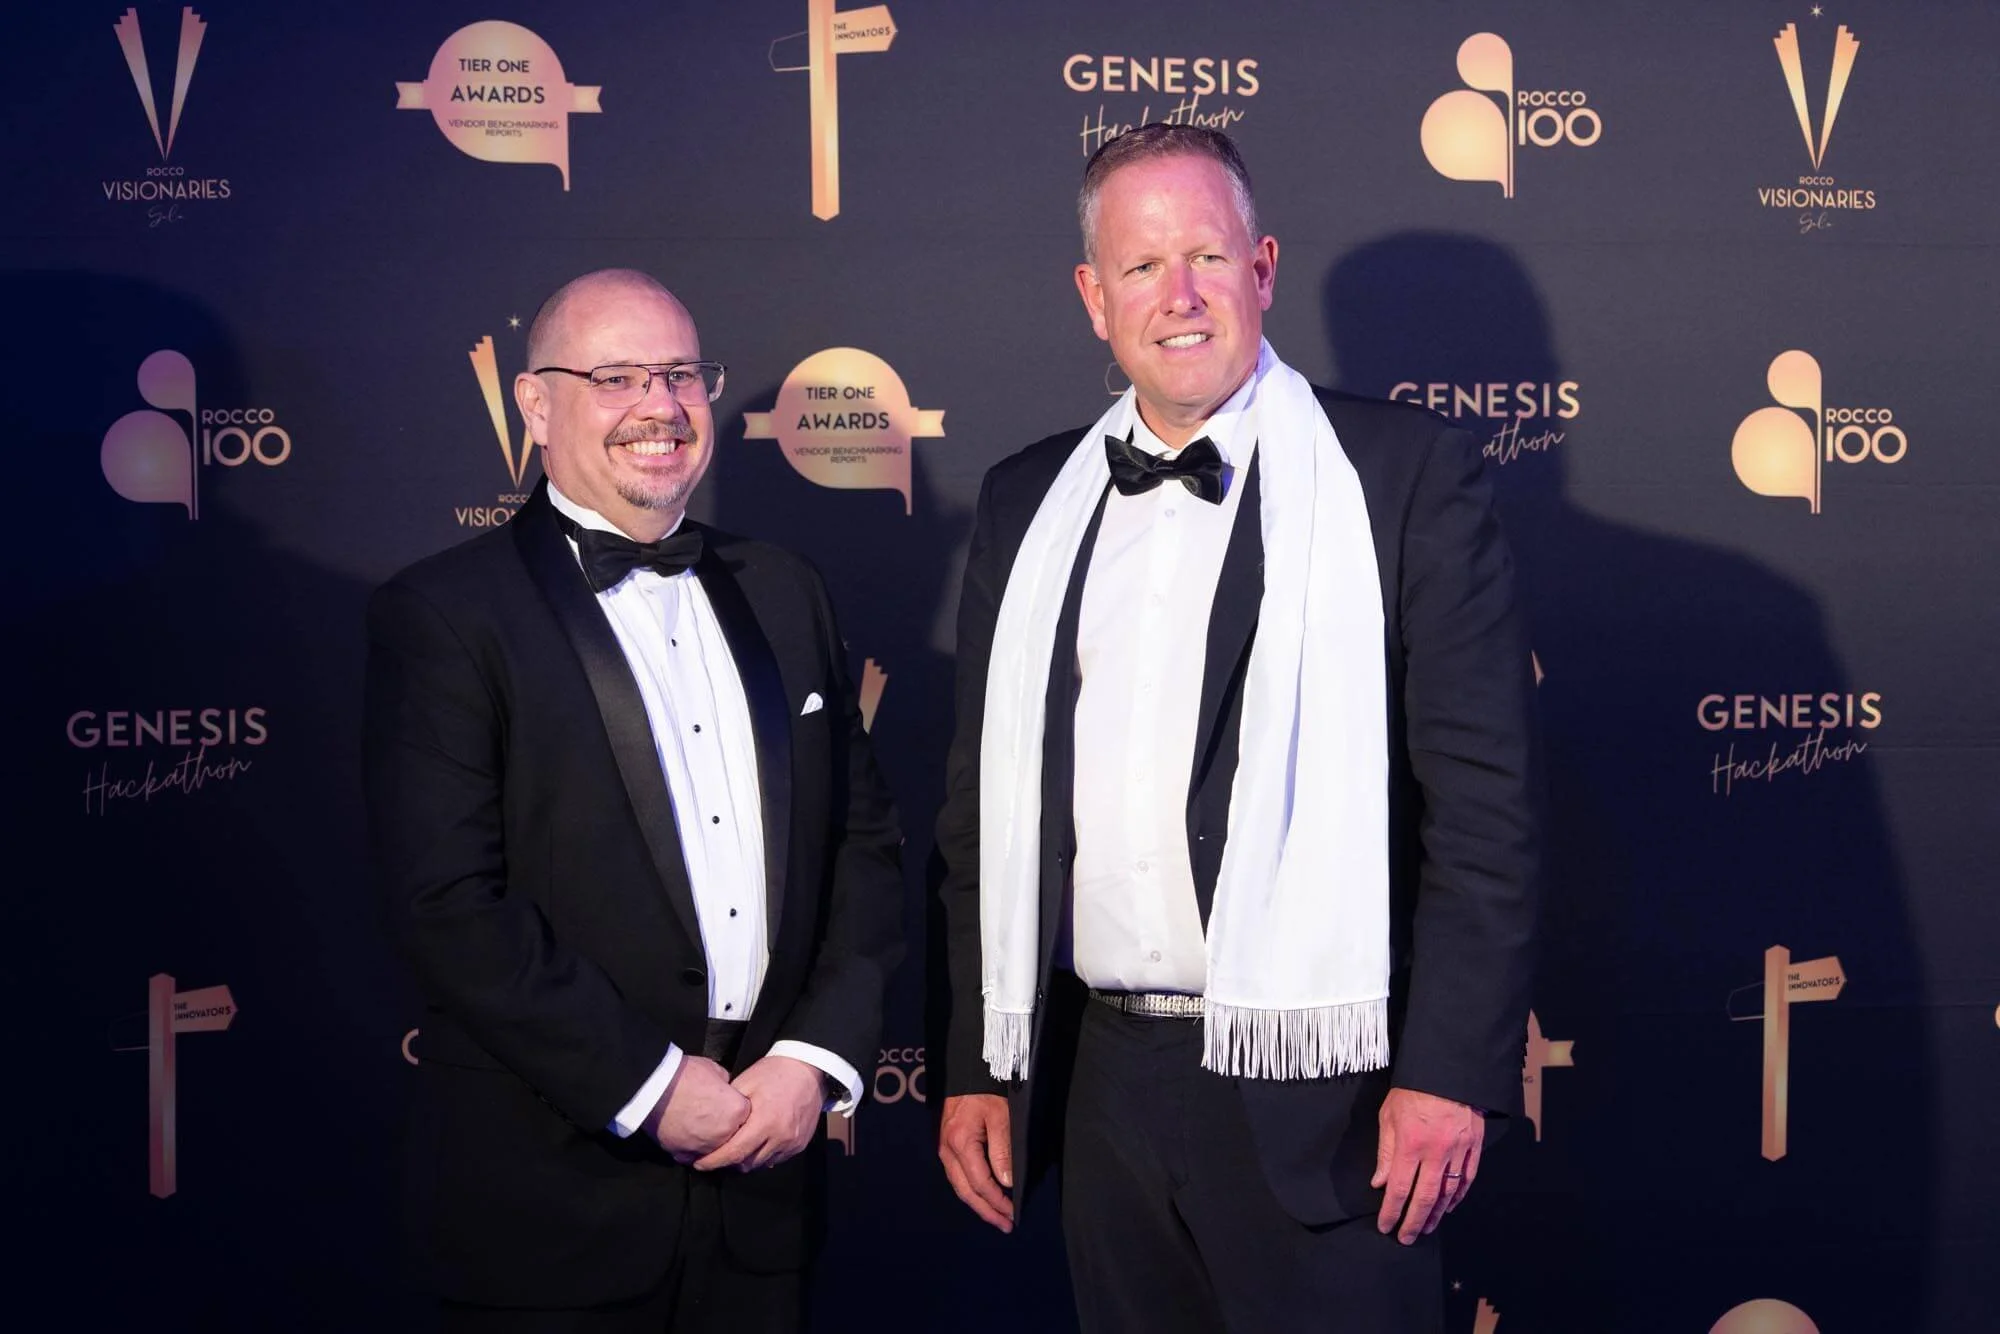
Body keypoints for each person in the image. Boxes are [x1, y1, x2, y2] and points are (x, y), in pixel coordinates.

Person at [935, 126, 1541, 1332]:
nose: (1179, 295)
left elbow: (1483, 809)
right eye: (1143, 264)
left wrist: (1441, 1071)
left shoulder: (1396, 473)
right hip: (1098, 1078)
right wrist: (977, 1062)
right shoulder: (1025, 501)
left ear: (1260, 267)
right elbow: (981, 815)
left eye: (1206, 255)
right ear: (1090, 295)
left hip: (1327, 1087)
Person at [365, 269, 902, 1332]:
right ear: (534, 404)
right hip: (547, 1207)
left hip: (766, 1187)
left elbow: (861, 843)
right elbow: (449, 905)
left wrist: (813, 1057)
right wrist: (650, 1082)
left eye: (679, 373)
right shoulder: (443, 612)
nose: (657, 405)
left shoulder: (784, 590)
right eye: (613, 376)